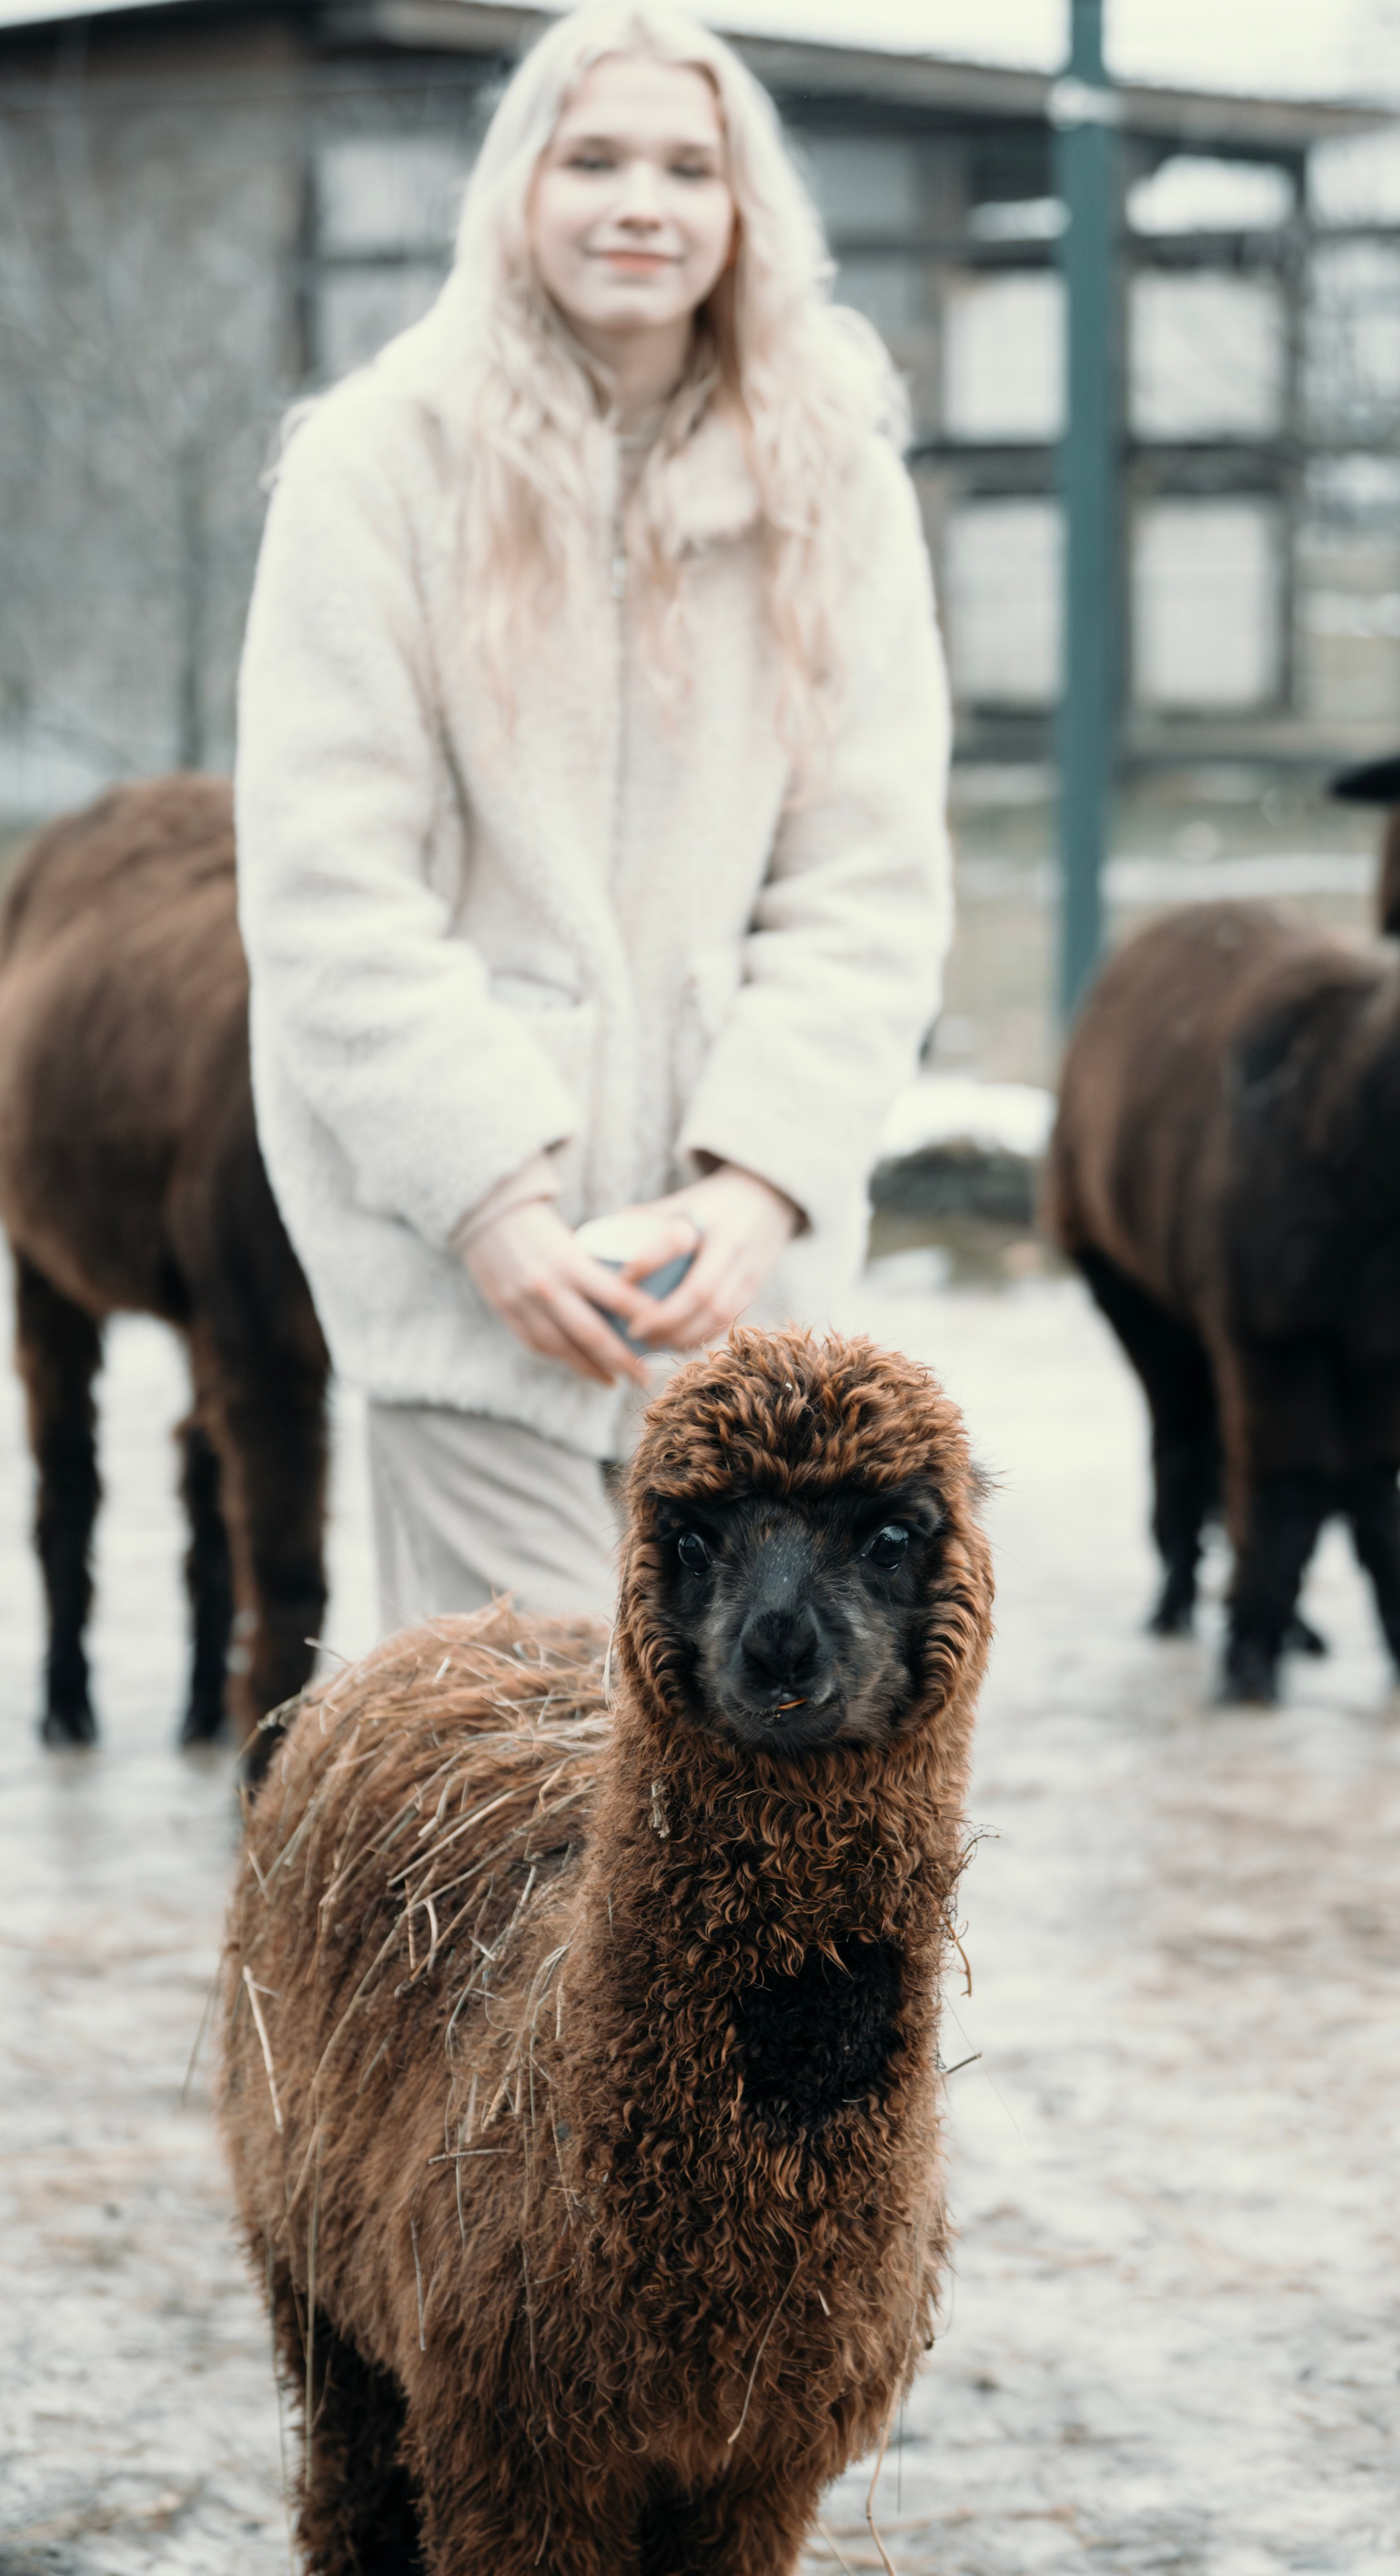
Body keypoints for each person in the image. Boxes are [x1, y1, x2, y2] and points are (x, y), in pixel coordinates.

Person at [235, 0, 951, 1630]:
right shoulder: (376, 467)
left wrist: (757, 1183)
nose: (642, 201)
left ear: (743, 208)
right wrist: (492, 1200)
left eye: (688, 165)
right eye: (596, 157)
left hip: (735, 1293)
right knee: (535, 1769)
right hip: (465, 1261)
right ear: (518, 187)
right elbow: (325, 884)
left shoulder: (831, 480)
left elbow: (870, 878)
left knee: (716, 1804)